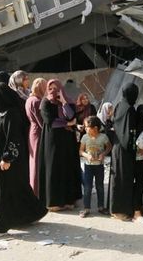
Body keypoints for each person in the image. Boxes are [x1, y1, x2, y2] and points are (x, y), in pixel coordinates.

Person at [0, 81, 47, 239]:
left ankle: (0, 226)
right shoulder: (1, 113)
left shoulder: (12, 114)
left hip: (10, 160)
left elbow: (15, 138)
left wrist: (7, 158)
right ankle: (32, 213)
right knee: (19, 187)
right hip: (3, 159)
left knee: (5, 191)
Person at [38, 79, 80, 210]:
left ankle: (68, 200)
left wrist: (63, 102)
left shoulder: (69, 101)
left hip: (67, 141)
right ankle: (54, 202)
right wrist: (67, 124)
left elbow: (72, 116)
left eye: (56, 88)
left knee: (67, 167)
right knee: (54, 168)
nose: (53, 91)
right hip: (52, 140)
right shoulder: (45, 102)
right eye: (50, 88)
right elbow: (49, 121)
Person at [110, 83, 140, 221]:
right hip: (126, 150)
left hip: (117, 147)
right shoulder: (129, 109)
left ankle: (114, 209)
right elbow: (130, 132)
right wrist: (133, 147)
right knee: (125, 179)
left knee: (116, 178)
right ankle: (122, 212)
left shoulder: (119, 106)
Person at [80, 116, 111, 218]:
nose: (85, 129)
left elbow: (109, 147)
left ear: (95, 128)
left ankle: (101, 207)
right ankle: (86, 208)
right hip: (88, 166)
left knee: (100, 187)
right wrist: (86, 155)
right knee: (87, 187)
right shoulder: (84, 137)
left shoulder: (103, 137)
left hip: (99, 166)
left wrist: (103, 154)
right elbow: (80, 151)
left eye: (87, 127)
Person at [25, 78, 47, 194]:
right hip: (39, 133)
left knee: (34, 162)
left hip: (33, 132)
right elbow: (42, 122)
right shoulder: (37, 101)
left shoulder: (30, 99)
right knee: (38, 162)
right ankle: (37, 191)